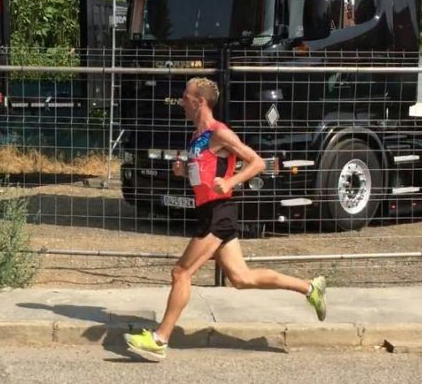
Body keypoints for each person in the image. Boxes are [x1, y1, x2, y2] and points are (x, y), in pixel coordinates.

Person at [124, 77, 327, 360]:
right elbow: (205, 172)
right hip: (209, 211)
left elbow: (256, 162)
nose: (181, 101)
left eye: (185, 97)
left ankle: (160, 340)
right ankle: (309, 288)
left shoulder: (219, 132)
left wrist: (231, 182)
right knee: (241, 278)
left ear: (200, 101)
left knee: (181, 272)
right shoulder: (197, 134)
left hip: (219, 213)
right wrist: (184, 171)